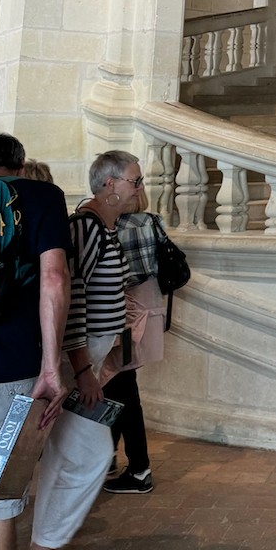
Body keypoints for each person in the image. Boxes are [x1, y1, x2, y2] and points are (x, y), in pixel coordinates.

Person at [17, 152, 143, 550]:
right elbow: (69, 303)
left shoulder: (106, 229)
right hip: (77, 362)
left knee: (61, 458)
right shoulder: (85, 229)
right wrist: (82, 370)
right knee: (91, 455)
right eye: (133, 180)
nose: (139, 187)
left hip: (89, 358)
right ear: (108, 185)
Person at [0, 134, 71, 550]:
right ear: (19, 164)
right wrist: (51, 366)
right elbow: (54, 278)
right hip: (10, 369)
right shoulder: (40, 196)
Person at [99, 188, 166, 495]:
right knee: (120, 385)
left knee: (120, 388)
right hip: (146, 316)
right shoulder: (153, 221)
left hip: (124, 319)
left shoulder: (114, 228)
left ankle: (138, 468)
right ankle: (110, 459)